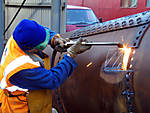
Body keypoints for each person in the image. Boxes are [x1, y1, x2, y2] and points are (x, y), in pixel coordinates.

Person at [0, 19, 91, 113]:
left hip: (32, 98)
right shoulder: (21, 69)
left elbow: (41, 31)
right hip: (20, 107)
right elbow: (53, 79)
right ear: (31, 49)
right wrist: (70, 55)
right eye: (41, 45)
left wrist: (54, 39)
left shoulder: (20, 36)